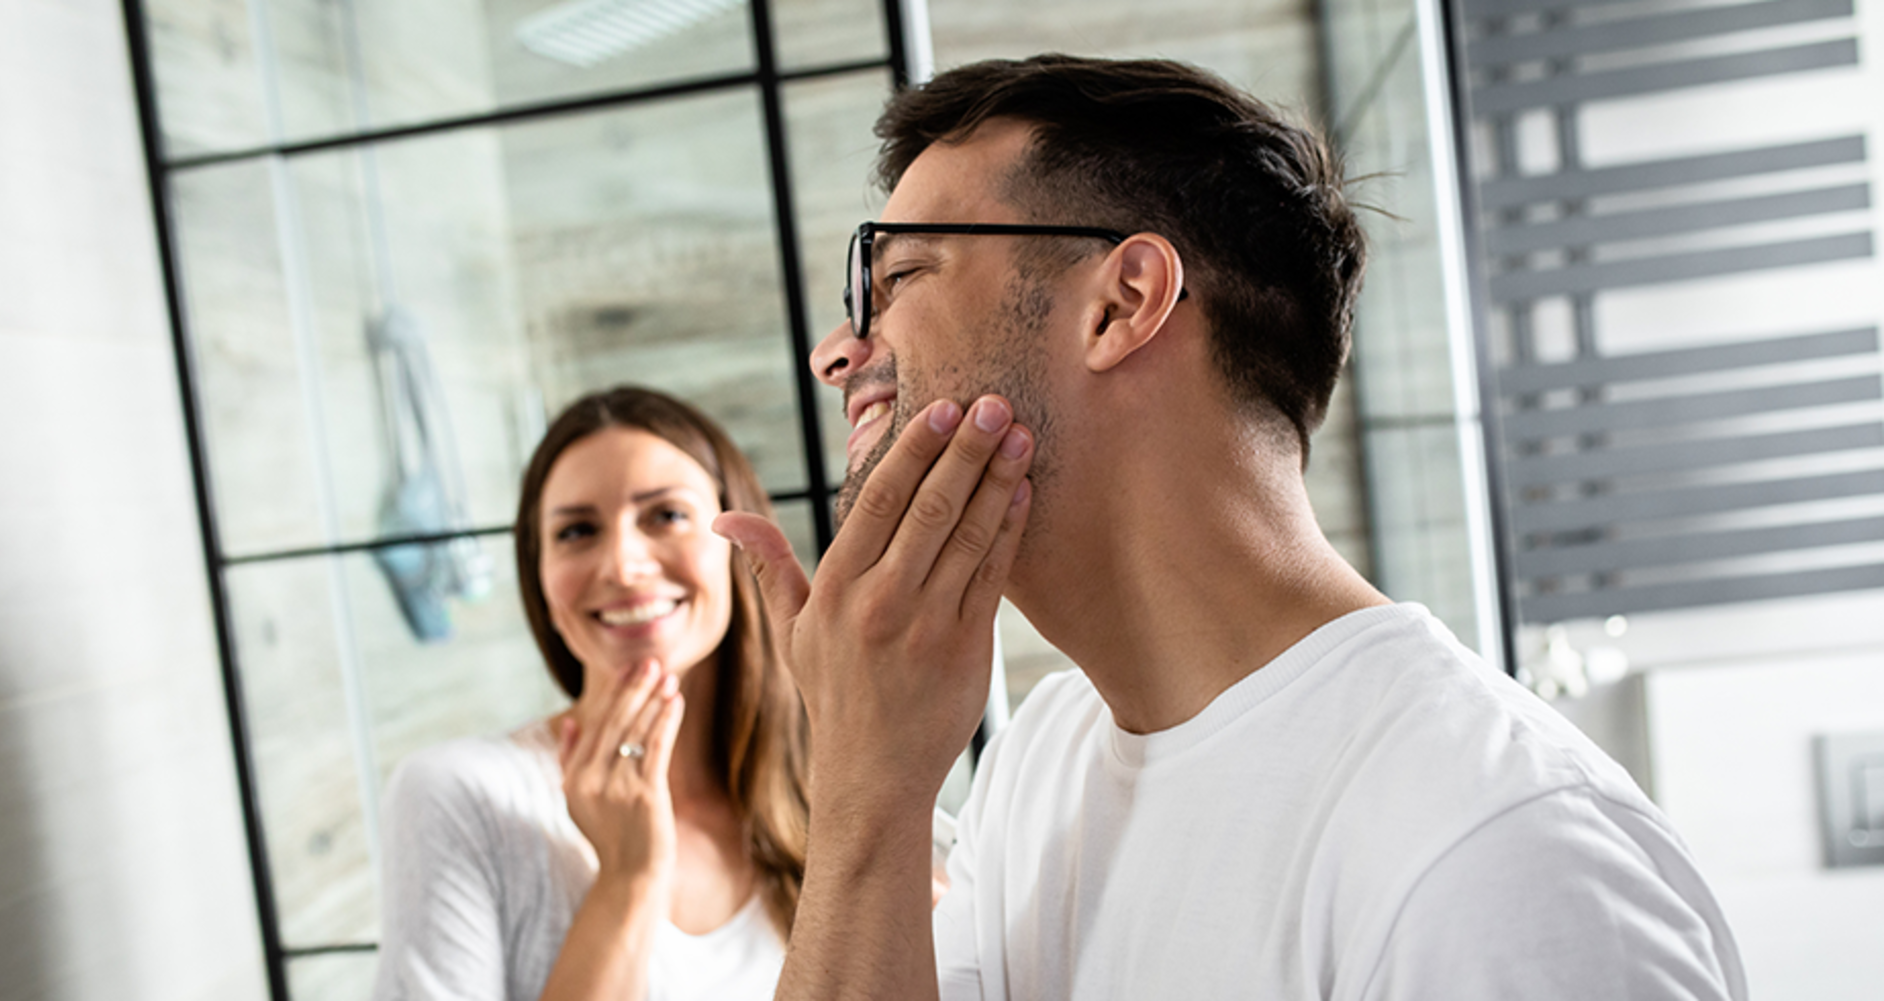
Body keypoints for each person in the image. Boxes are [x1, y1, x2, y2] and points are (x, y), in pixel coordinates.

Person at [713, 54, 1747, 1000]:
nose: (836, 352)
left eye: (898, 279)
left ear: (1123, 303)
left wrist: (865, 797)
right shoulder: (1042, 761)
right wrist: (866, 795)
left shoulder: (1498, 853)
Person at [373, 386, 807, 1001]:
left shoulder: (823, 796)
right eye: (577, 531)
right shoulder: (458, 795)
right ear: (541, 581)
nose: (623, 566)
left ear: (741, 546)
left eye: (666, 515)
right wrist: (629, 878)